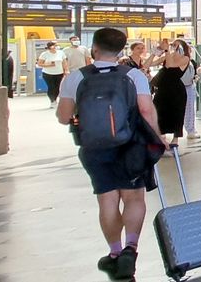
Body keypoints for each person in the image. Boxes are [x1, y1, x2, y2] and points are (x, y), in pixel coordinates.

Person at [56, 27, 165, 282]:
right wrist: (159, 138)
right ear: (121, 51)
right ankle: (131, 248)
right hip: (130, 146)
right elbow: (147, 111)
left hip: (94, 148)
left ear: (94, 48)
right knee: (134, 197)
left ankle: (114, 253)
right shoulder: (133, 75)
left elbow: (63, 117)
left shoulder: (75, 78)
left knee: (107, 200)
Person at [152, 38, 192, 146]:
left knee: (177, 113)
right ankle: (160, 135)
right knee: (158, 111)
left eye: (177, 46)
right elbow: (151, 63)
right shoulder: (167, 56)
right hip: (163, 89)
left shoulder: (185, 58)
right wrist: (157, 51)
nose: (174, 47)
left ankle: (175, 139)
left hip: (176, 90)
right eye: (173, 45)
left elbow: (169, 65)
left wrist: (166, 51)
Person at [176, 39, 200, 140]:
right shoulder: (175, 60)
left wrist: (195, 77)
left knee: (190, 109)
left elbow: (194, 73)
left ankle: (190, 130)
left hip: (189, 86)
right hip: (177, 86)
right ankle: (176, 132)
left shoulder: (191, 61)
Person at [38, 40, 69, 108]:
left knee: (57, 87)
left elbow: (64, 62)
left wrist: (66, 70)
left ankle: (55, 99)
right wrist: (48, 64)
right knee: (51, 87)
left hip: (59, 73)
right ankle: (52, 100)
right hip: (48, 73)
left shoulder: (61, 53)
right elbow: (39, 63)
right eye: (55, 45)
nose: (57, 46)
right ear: (50, 47)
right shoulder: (45, 54)